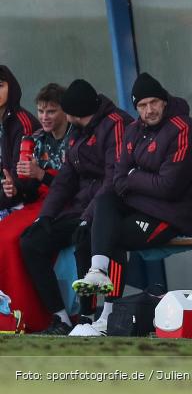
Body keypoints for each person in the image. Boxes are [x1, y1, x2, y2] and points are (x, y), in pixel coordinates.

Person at [69, 73, 192, 337]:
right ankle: (96, 281)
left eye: (154, 103)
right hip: (148, 207)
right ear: (135, 108)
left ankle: (108, 316)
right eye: (142, 105)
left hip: (180, 213)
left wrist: (134, 177)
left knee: (112, 236)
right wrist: (136, 180)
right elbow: (117, 178)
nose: (149, 110)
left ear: (164, 101)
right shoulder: (134, 130)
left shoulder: (183, 127)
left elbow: (170, 187)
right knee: (102, 206)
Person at [19, 79, 133, 336]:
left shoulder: (116, 124)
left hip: (107, 208)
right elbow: (65, 180)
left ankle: (91, 316)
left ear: (74, 113)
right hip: (80, 207)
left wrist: (87, 216)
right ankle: (60, 318)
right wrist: (45, 216)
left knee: (86, 236)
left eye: (61, 112)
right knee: (31, 241)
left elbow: (114, 178)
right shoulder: (79, 131)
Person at [0, 83, 69, 333]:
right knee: (3, 233)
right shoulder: (35, 140)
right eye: (40, 111)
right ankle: (8, 315)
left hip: (65, 204)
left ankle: (32, 315)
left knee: (14, 240)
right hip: (37, 202)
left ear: (64, 111)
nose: (44, 117)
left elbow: (77, 184)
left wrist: (42, 175)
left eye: (51, 111)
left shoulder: (76, 138)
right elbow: (29, 186)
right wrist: (15, 189)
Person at [0, 65, 38, 219]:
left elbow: (21, 182)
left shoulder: (23, 124)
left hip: (24, 201)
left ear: (12, 88)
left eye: (0, 86)